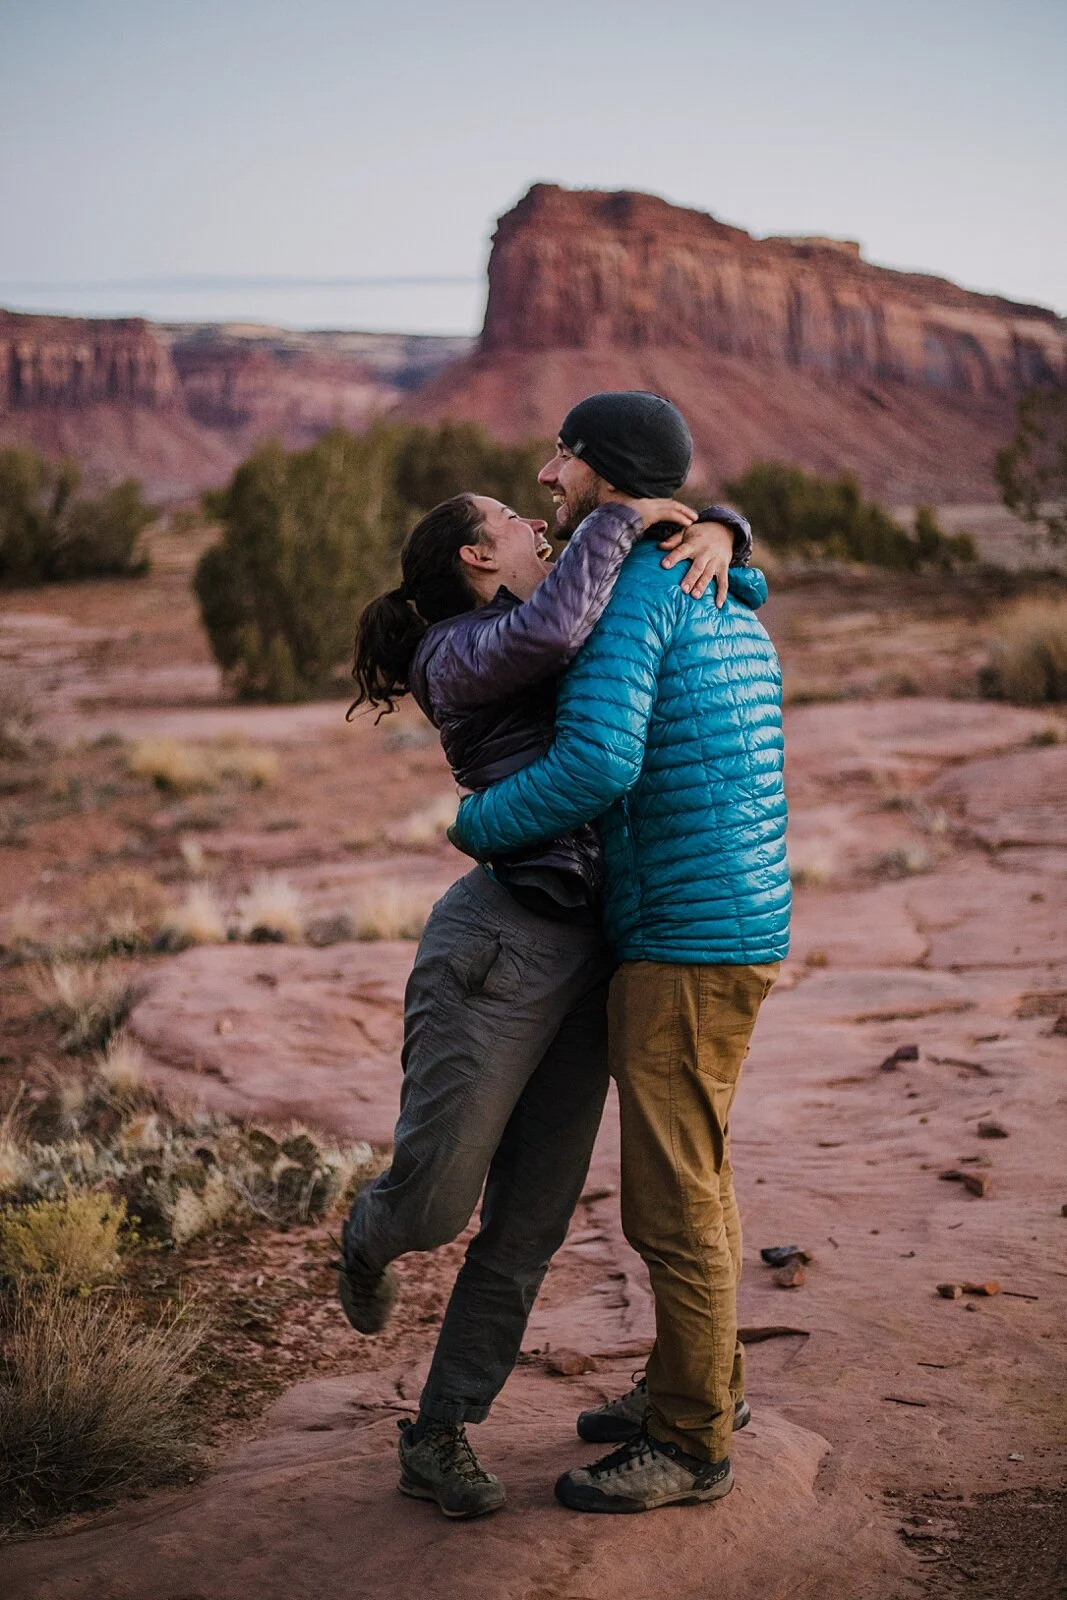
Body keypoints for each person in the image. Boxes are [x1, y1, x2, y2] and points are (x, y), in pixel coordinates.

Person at [339, 457, 752, 1519]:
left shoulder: (557, 599)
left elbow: (671, 576)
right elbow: (552, 632)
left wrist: (719, 527)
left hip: (595, 952)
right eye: (511, 520)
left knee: (530, 1220)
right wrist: (620, 512)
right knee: (437, 1202)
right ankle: (369, 1233)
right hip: (500, 942)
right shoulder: (454, 649)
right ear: (477, 556)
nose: (537, 520)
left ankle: (438, 1433)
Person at [452, 390, 791, 1515]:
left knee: (669, 1199)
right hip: (728, 918)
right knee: (698, 1170)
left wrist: (476, 826)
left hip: (686, 936)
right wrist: (725, 523)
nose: (547, 475)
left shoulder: (639, 587)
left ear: (603, 469)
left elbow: (596, 762)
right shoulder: (713, 577)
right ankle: (700, 1384)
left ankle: (689, 1444)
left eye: (563, 455)